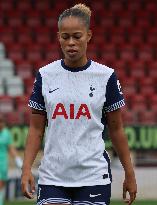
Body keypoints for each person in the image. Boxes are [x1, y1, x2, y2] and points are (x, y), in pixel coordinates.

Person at [21, 3, 137, 205]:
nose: (71, 43)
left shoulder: (106, 76)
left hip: (93, 176)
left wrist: (130, 173)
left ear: (89, 36)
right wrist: (26, 169)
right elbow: (36, 128)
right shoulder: (45, 75)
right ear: (58, 37)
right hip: (52, 177)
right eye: (65, 37)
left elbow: (117, 129)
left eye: (77, 36)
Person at [0, 115, 22, 205]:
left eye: (1, 122)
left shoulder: (6, 133)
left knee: (1, 185)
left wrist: (18, 161)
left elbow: (11, 148)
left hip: (3, 163)